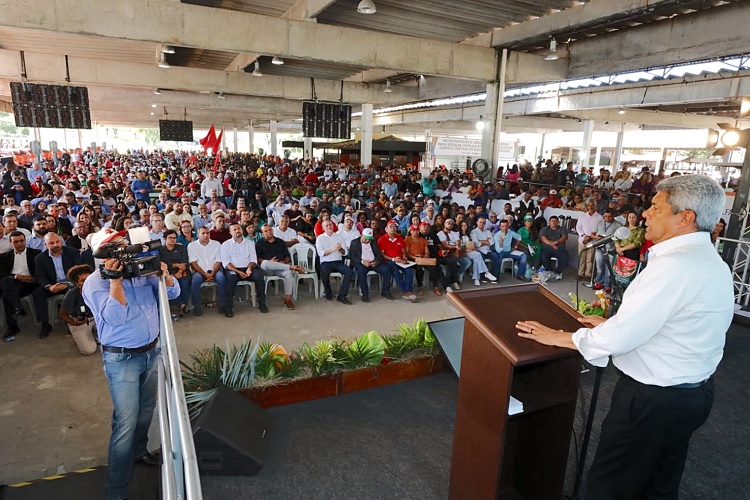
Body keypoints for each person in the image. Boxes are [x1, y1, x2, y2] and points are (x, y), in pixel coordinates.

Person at [516, 174, 733, 500]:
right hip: (691, 395)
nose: (644, 214)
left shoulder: (674, 266)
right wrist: (612, 322)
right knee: (657, 484)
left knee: (611, 485)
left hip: (653, 401)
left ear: (685, 217)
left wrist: (560, 336)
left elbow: (618, 339)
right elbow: (670, 324)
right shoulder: (709, 261)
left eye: (655, 208)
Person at [82, 228, 179, 500]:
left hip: (150, 352)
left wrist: (164, 275)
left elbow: (172, 295)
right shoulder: (94, 282)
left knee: (146, 410)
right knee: (125, 422)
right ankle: (116, 492)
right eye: (117, 245)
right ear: (103, 254)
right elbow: (115, 317)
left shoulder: (141, 272)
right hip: (122, 358)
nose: (125, 248)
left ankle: (140, 452)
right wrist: (115, 281)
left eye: (124, 243)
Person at [33, 232, 83, 338]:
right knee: (38, 294)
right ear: (46, 245)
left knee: (73, 291)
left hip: (70, 283)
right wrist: (49, 286)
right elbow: (40, 276)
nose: (55, 245)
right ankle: (45, 324)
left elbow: (78, 272)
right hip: (52, 285)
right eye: (51, 243)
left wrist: (67, 284)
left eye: (57, 241)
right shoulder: (40, 258)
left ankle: (71, 322)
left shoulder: (72, 252)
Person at [219, 222, 267, 316]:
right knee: (230, 280)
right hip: (233, 269)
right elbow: (226, 263)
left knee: (259, 277)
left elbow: (253, 260)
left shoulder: (249, 243)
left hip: (248, 268)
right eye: (234, 229)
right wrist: (237, 271)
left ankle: (262, 304)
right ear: (230, 232)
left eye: (239, 229)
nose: (237, 231)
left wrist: (249, 269)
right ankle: (228, 307)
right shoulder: (225, 245)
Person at [0, 231, 40, 341]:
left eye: (22, 241)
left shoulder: (36, 254)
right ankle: (17, 309)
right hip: (13, 282)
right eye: (16, 242)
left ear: (25, 241)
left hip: (29, 283)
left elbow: (40, 273)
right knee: (7, 286)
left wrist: (30, 278)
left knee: (6, 293)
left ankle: (13, 324)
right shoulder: (4, 257)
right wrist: (16, 277)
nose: (19, 244)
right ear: (10, 243)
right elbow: (2, 274)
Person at [255, 224, 305, 310]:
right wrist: (271, 262)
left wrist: (284, 262)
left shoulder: (280, 242)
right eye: (266, 231)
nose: (269, 232)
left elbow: (287, 256)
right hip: (267, 269)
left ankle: (288, 299)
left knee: (289, 274)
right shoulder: (259, 243)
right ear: (262, 234)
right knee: (265, 263)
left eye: (270, 230)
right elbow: (257, 259)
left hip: (281, 267)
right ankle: (292, 267)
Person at [59, 264, 97, 356]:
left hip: (96, 318)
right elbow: (63, 314)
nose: (87, 282)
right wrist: (75, 323)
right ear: (76, 283)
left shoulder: (98, 289)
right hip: (80, 321)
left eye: (89, 279)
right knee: (89, 351)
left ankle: (95, 334)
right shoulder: (72, 294)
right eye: (83, 280)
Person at [187, 226, 225, 317]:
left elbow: (219, 261)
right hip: (199, 271)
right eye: (203, 233)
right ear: (198, 235)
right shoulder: (192, 246)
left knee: (222, 278)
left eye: (207, 233)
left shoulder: (217, 244)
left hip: (215, 270)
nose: (206, 235)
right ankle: (197, 306)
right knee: (195, 281)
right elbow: (193, 263)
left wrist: (212, 273)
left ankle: (222, 305)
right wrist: (204, 274)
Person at [377, 220, 417, 301]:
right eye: (391, 227)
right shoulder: (382, 239)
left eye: (395, 226)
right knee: (395, 271)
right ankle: (406, 291)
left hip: (401, 260)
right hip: (389, 261)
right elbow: (382, 255)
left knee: (409, 270)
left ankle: (408, 290)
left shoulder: (399, 238)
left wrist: (404, 257)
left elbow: (403, 251)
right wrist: (393, 259)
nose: (393, 228)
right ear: (386, 229)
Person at [315, 219, 353, 304]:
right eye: (327, 225)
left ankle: (342, 295)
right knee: (324, 272)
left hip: (337, 262)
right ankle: (328, 292)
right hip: (326, 262)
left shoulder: (339, 236)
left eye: (330, 225)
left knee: (349, 271)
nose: (329, 227)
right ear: (323, 228)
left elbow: (345, 252)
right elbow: (320, 253)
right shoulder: (320, 238)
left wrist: (340, 249)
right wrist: (332, 249)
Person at [348, 228, 388, 302]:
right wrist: (362, 261)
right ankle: (365, 294)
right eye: (366, 239)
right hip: (362, 263)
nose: (368, 241)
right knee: (361, 272)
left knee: (386, 270)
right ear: (362, 235)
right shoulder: (354, 242)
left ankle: (385, 291)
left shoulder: (373, 241)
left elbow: (378, 254)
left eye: (369, 239)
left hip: (373, 262)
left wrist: (376, 261)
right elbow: (353, 257)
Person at [159, 230, 191, 315]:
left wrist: (180, 272)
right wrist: (175, 264)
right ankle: (180, 304)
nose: (173, 240)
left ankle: (183, 304)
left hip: (182, 272)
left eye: (174, 238)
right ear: (164, 239)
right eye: (170, 238)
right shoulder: (161, 251)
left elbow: (184, 263)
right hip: (168, 274)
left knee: (184, 282)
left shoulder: (181, 248)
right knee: (171, 285)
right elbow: (163, 264)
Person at [592, 209, 623, 291]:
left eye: (609, 216)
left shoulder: (618, 225)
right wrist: (596, 237)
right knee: (599, 267)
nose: (607, 218)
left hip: (611, 249)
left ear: (613, 216)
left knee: (609, 269)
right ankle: (599, 283)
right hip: (600, 247)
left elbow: (620, 238)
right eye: (605, 216)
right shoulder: (600, 223)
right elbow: (592, 234)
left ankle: (607, 285)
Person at [576, 199, 603, 286]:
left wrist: (590, 237)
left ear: (596, 206)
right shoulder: (582, 216)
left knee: (590, 259)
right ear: (587, 206)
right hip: (582, 240)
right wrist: (584, 236)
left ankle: (588, 275)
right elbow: (578, 227)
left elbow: (599, 229)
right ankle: (580, 274)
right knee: (581, 258)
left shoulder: (599, 217)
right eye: (589, 205)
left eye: (592, 205)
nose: (590, 207)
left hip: (593, 241)